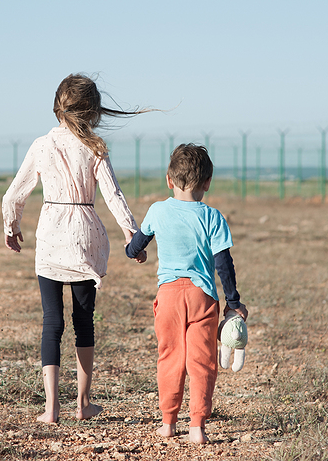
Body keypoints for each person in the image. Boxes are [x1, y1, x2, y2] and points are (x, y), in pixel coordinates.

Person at [2, 73, 149, 424]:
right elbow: (114, 196)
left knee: (51, 323)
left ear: (56, 109)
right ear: (93, 113)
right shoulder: (95, 148)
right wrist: (133, 234)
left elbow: (14, 194)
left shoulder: (41, 145)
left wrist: (12, 227)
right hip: (85, 236)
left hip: (51, 236)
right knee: (84, 323)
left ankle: (50, 409)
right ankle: (82, 405)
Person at [125, 143, 248, 444]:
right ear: (207, 183)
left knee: (169, 358)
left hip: (167, 297)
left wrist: (134, 250)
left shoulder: (157, 210)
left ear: (169, 179)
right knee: (202, 362)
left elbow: (134, 248)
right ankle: (197, 427)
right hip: (202, 297)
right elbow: (223, 264)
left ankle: (167, 423)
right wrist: (233, 302)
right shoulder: (212, 217)